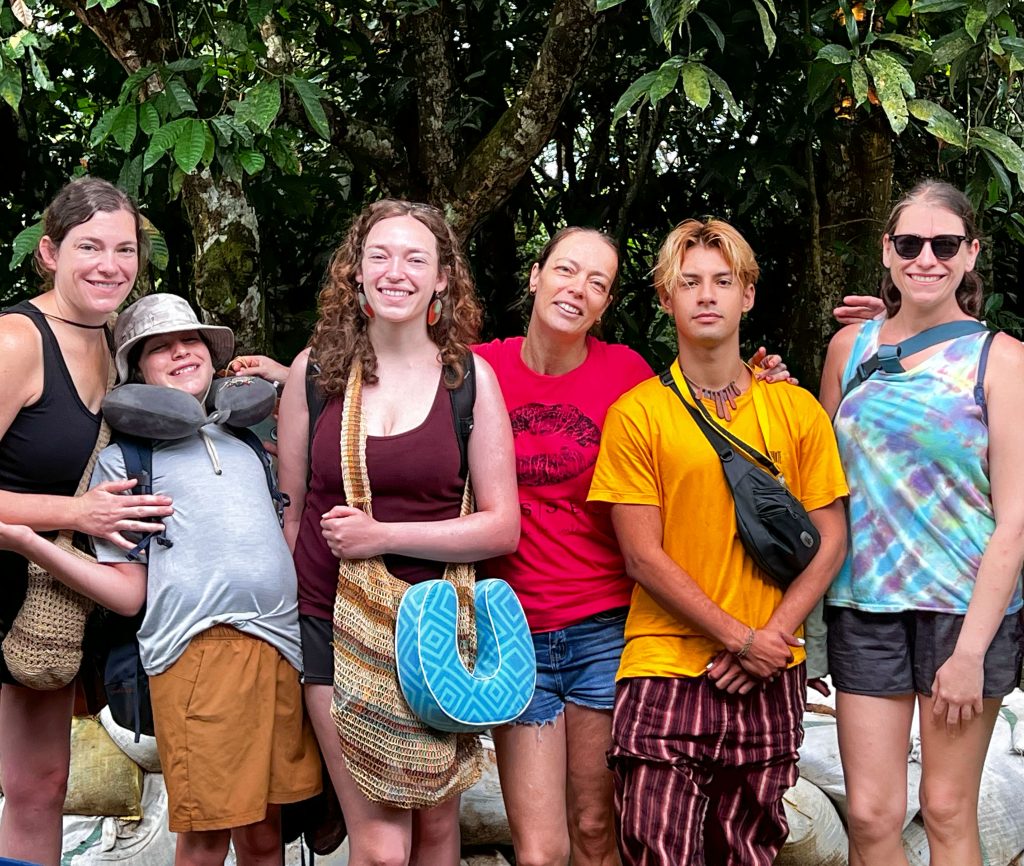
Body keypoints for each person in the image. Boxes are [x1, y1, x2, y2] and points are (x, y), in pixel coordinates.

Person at [0, 293, 323, 865]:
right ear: (136, 371)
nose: (179, 352)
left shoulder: (249, 443)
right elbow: (130, 592)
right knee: (205, 836)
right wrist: (32, 544)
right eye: (159, 347)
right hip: (200, 651)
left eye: (190, 340)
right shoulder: (129, 460)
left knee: (266, 833)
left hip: (281, 650)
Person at [589, 217, 848, 865]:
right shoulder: (638, 414)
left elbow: (832, 537)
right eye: (689, 282)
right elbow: (642, 556)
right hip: (664, 666)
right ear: (665, 299)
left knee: (751, 851)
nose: (707, 295)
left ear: (748, 295)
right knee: (656, 849)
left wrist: (771, 640)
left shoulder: (795, 411)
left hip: (771, 670)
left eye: (723, 281)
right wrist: (741, 638)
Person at [275, 199, 519, 866]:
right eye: (379, 256)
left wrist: (382, 536)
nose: (395, 272)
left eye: (416, 259)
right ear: (355, 272)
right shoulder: (313, 375)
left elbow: (502, 526)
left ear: (442, 278)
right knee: (381, 844)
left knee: (439, 831)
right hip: (330, 622)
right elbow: (293, 512)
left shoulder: (468, 380)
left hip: (434, 630)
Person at [819, 181, 1024, 866]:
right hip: (864, 604)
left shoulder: (1003, 359)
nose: (925, 258)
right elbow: (820, 479)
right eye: (909, 244)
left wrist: (969, 652)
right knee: (873, 815)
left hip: (963, 613)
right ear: (887, 251)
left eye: (944, 245)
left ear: (970, 254)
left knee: (944, 809)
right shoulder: (850, 348)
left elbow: (1016, 519)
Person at [0, 177, 174, 865]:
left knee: (42, 787)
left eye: (124, 249)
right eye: (89, 247)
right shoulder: (18, 339)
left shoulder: (115, 341)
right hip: (10, 585)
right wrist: (76, 512)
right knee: (29, 784)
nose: (110, 264)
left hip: (58, 598)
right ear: (48, 252)